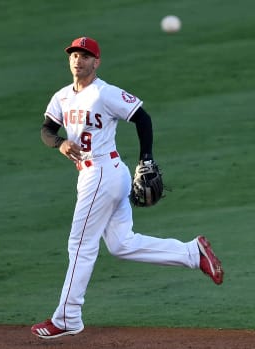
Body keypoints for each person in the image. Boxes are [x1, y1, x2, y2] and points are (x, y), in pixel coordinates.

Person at [31, 36, 224, 339]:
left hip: (104, 173)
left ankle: (68, 316)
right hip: (94, 176)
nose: (78, 60)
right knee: (122, 244)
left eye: (85, 55)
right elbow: (46, 129)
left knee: (80, 244)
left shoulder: (105, 93)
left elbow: (142, 118)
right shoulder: (61, 97)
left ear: (96, 62)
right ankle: (192, 253)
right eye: (74, 55)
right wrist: (59, 142)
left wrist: (146, 159)